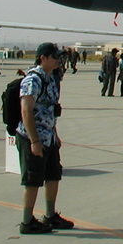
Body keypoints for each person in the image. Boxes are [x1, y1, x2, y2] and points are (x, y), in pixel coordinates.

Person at [15, 42, 74, 234]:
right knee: (33, 180)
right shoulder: (33, 80)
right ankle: (27, 221)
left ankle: (50, 215)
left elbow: (50, 110)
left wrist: (55, 135)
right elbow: (26, 111)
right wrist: (34, 141)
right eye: (55, 57)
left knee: (53, 175)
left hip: (48, 136)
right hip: (32, 137)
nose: (58, 60)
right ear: (43, 58)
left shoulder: (51, 78)